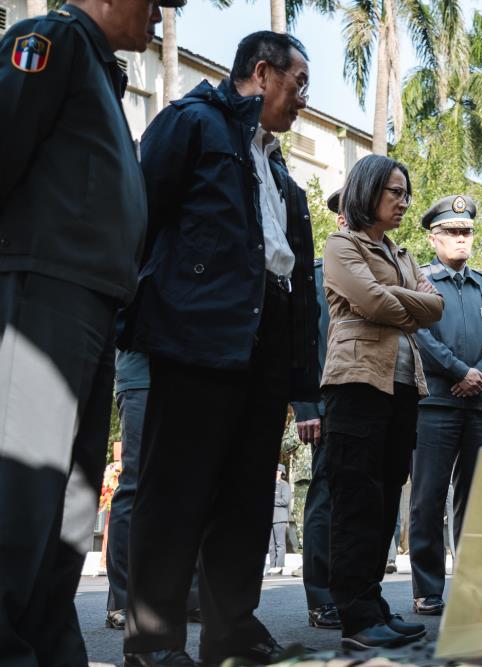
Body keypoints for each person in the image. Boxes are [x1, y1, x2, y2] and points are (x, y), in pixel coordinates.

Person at [121, 31, 320, 667]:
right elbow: (140, 218)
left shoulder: (279, 170)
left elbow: (298, 279)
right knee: (175, 490)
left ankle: (231, 628)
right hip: (196, 338)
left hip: (264, 339)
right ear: (262, 73)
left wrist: (302, 381)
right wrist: (137, 321)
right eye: (297, 85)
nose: (302, 101)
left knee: (245, 495)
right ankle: (152, 641)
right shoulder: (192, 124)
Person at [0, 1, 178, 664]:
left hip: (92, 307)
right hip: (43, 291)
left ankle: (48, 643)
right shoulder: (52, 41)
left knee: (71, 505)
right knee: (23, 491)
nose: (159, 13)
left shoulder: (103, 75)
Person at [323, 154, 444, 649]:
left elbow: (434, 308)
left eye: (405, 193)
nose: (403, 201)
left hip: (401, 388)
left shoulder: (403, 253)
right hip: (356, 385)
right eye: (395, 192)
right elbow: (370, 302)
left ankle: (373, 604)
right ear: (368, 191)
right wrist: (403, 302)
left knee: (383, 501)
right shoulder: (340, 244)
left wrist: (391, 297)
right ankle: (354, 616)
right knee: (356, 499)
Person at [408, 195, 482, 616]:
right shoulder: (421, 282)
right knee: (428, 498)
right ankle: (428, 590)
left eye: (466, 231)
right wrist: (457, 372)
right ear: (434, 238)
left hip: (480, 405)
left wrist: (479, 374)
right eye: (451, 232)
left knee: (477, 499)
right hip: (436, 403)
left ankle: (474, 588)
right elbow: (418, 332)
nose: (460, 238)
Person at [105, 351, 199, 630]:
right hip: (140, 374)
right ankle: (122, 598)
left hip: (186, 376)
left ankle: (191, 596)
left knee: (187, 486)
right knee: (136, 482)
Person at [290, 189, 341, 629]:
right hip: (327, 407)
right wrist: (306, 406)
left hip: (374, 403)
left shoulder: (391, 269)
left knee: (366, 501)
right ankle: (321, 596)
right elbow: (302, 344)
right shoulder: (317, 274)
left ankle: (358, 593)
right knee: (325, 498)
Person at [269, 464, 292, 575]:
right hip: (271, 518)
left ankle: (279, 567)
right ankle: (272, 567)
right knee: (271, 545)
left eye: (278, 470)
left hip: (279, 518)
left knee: (280, 544)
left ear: (281, 472)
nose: (276, 472)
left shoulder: (284, 485)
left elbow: (285, 501)